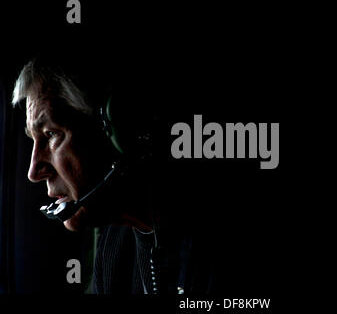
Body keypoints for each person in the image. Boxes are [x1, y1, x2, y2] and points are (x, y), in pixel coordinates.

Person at [11, 54, 215, 294]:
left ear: (121, 126)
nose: (33, 172)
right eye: (34, 139)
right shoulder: (113, 248)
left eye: (52, 134)